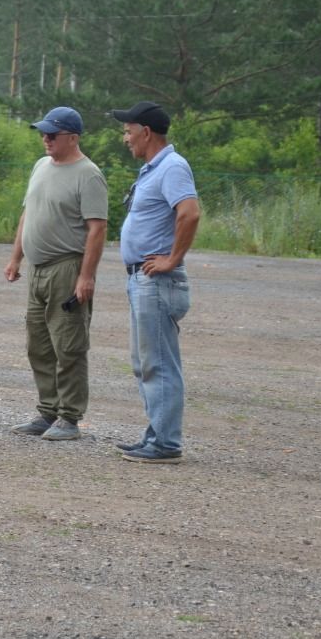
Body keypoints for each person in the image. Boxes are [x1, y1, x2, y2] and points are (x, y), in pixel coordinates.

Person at [4, 106, 108, 442]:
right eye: (43, 133)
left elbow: (97, 229)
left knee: (69, 345)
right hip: (37, 269)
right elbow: (28, 214)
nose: (45, 139)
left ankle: (69, 417)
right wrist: (16, 257)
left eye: (53, 134)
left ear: (73, 137)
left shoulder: (88, 174)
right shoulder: (40, 166)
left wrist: (86, 276)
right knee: (39, 344)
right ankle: (46, 410)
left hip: (67, 267)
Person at [111, 101, 200, 464]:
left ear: (146, 132)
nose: (125, 138)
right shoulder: (154, 169)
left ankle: (166, 443)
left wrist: (172, 258)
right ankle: (156, 433)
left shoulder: (173, 167)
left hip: (157, 282)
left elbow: (190, 212)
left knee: (159, 363)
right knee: (146, 362)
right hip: (142, 280)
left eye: (128, 131)